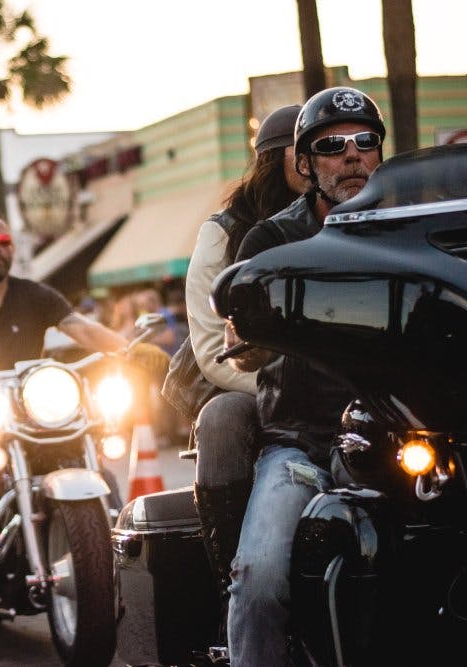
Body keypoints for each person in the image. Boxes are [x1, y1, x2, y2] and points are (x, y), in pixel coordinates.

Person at [0, 210, 170, 662]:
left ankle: (130, 590)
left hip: (31, 417)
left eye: (3, 242)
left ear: (12, 248)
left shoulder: (35, 295)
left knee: (104, 480)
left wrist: (131, 350)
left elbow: (82, 328)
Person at [225, 86, 386, 665]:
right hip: (305, 444)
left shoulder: (406, 229)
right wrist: (250, 334)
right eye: (332, 146)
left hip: (403, 438)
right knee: (260, 576)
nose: (352, 155)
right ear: (304, 163)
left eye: (365, 141)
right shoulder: (273, 240)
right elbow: (240, 345)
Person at [180, 104, 305, 622]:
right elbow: (213, 350)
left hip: (340, 381)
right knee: (223, 419)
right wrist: (282, 385)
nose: (330, 157)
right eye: (309, 148)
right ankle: (232, 572)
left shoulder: (344, 215)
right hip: (249, 381)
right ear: (275, 160)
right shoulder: (226, 231)